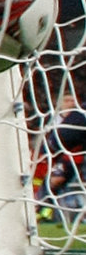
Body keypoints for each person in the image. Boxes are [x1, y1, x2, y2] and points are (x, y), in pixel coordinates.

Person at [34, 92, 86, 222]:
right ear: (60, 103)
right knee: (54, 180)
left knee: (57, 180)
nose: (70, 103)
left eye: (73, 100)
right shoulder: (51, 118)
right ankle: (41, 209)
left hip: (75, 155)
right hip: (54, 154)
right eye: (67, 100)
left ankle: (43, 209)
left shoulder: (79, 115)